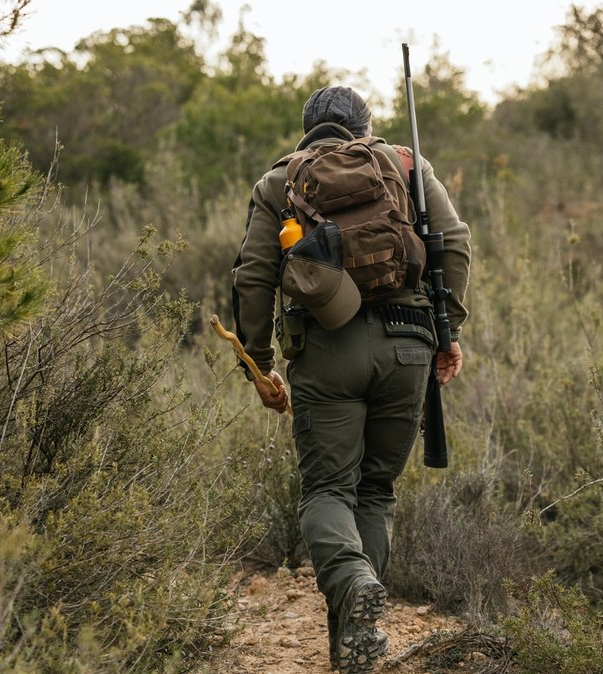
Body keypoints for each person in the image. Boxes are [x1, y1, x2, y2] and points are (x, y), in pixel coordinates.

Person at [230, 85, 471, 673]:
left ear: (307, 130)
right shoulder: (407, 165)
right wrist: (448, 330)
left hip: (328, 351)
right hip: (409, 346)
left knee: (327, 492)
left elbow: (254, 277)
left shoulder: (280, 181)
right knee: (375, 492)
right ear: (365, 126)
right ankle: (352, 645)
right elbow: (456, 243)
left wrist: (258, 363)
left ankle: (353, 583)